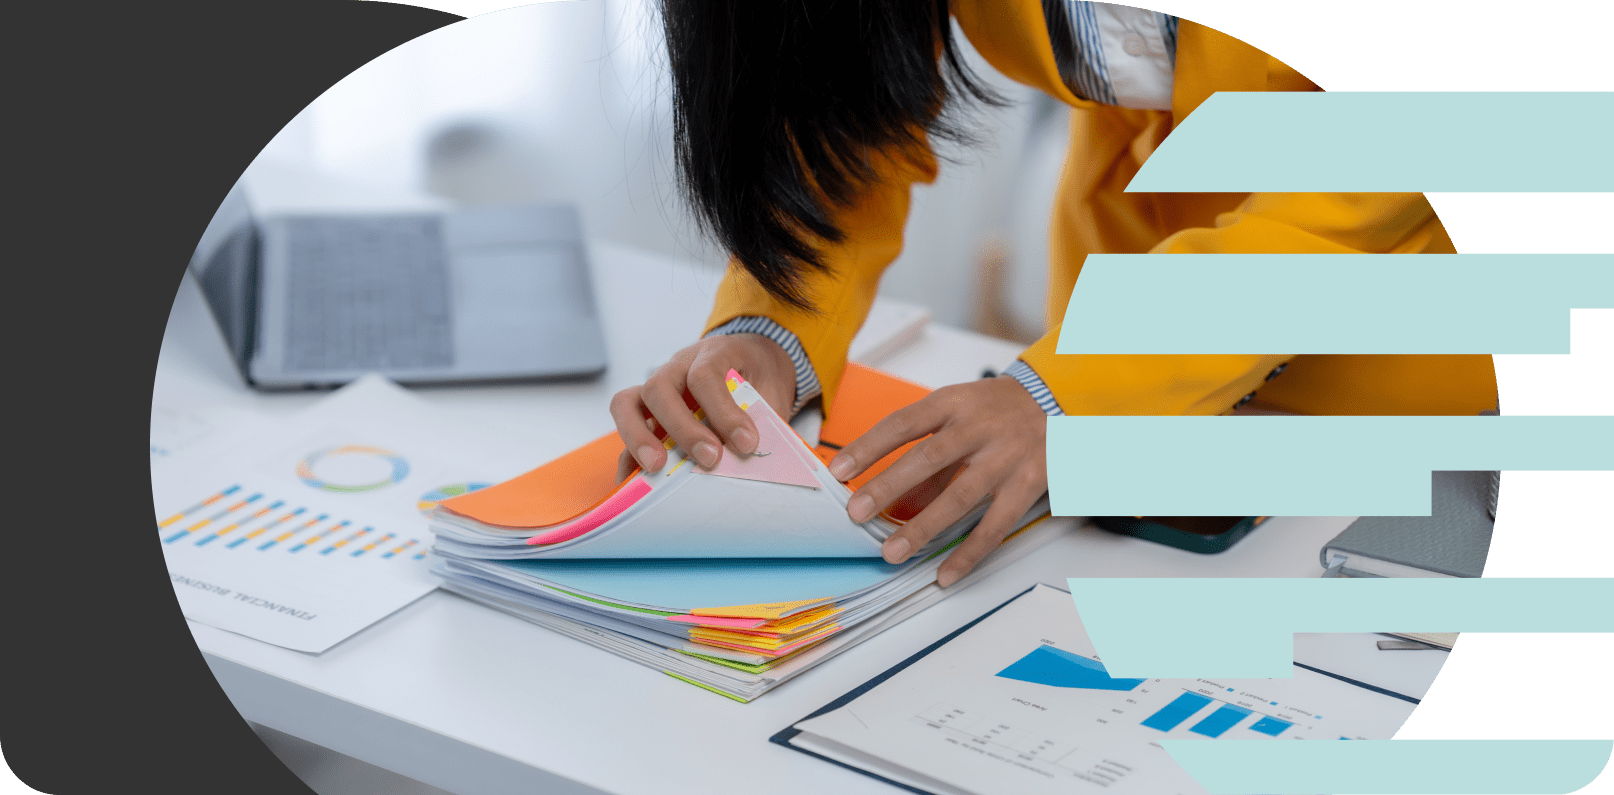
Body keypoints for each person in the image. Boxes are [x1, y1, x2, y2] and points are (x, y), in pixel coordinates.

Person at [611, 0, 1497, 586]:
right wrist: (777, 326)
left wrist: (1069, 393)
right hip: (1112, 358)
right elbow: (851, 84)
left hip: (1407, 374)